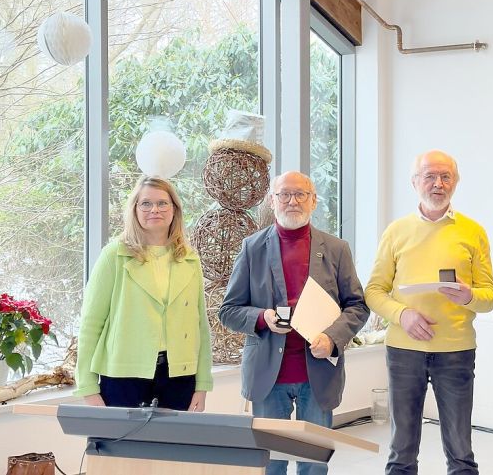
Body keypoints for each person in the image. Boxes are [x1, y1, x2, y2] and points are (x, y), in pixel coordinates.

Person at [219, 171, 369, 475]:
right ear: (272, 201)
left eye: (300, 194)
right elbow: (229, 310)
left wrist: (332, 337)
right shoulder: (252, 248)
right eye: (284, 194)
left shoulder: (337, 249)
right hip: (268, 376)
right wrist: (263, 318)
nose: (292, 201)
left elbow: (357, 306)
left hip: (318, 374)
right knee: (270, 464)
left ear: (313, 201)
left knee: (313, 464)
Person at [365, 150, 493, 475]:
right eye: (430, 176)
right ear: (415, 182)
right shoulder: (396, 232)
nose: (438, 184)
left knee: (461, 452)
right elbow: (373, 291)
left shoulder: (473, 232)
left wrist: (468, 296)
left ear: (455, 182)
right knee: (401, 451)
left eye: (445, 176)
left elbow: (489, 297)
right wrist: (402, 315)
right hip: (403, 351)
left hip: (456, 352)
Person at [75, 176, 213, 411]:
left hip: (179, 375)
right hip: (123, 375)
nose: (154, 210)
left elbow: (200, 325)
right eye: (146, 204)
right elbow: (91, 323)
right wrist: (87, 386)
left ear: (174, 210)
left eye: (162, 203)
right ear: (135, 210)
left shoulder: (189, 258)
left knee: (173, 447)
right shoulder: (114, 255)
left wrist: (202, 383)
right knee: (120, 448)